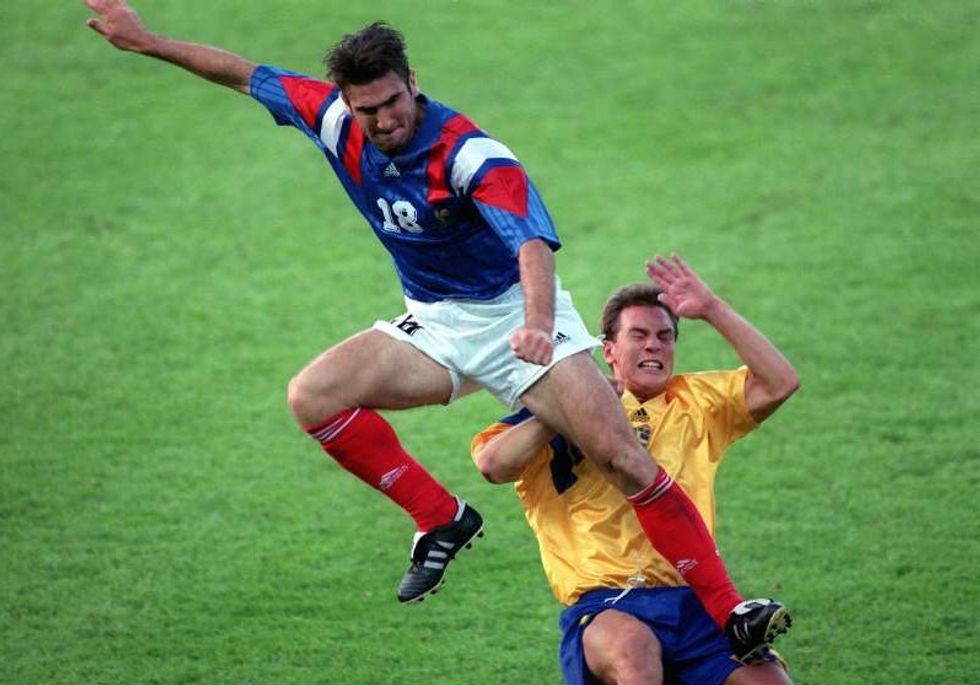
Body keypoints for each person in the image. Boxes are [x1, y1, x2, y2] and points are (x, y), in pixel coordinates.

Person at [83, 0, 787, 657]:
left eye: (392, 101)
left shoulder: (472, 153)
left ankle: (729, 609)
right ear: (348, 102)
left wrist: (540, 328)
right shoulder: (331, 118)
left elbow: (531, 245)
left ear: (412, 83)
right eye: (368, 109)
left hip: (518, 317)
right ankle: (440, 515)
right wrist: (144, 41)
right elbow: (242, 73)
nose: (384, 120)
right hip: (437, 322)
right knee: (312, 395)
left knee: (627, 460)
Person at [472, 254, 800, 683]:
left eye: (665, 337)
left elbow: (781, 382)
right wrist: (570, 408)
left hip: (694, 598)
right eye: (639, 335)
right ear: (607, 349)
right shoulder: (555, 412)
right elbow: (492, 463)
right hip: (607, 604)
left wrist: (713, 309)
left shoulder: (698, 402)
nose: (654, 345)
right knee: (634, 652)